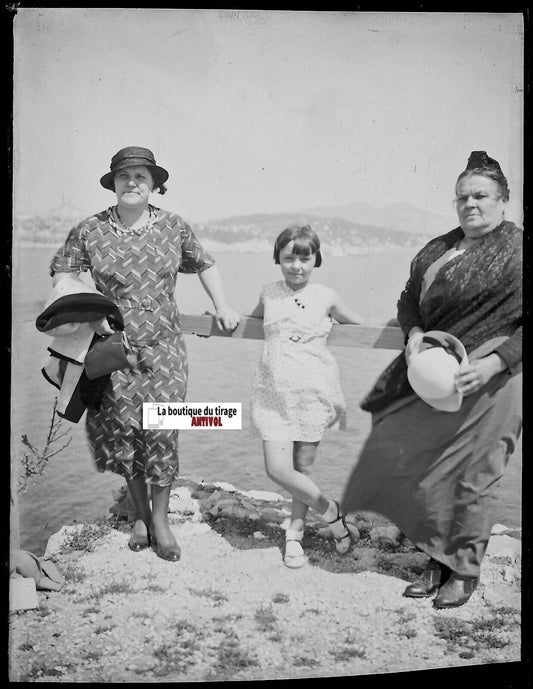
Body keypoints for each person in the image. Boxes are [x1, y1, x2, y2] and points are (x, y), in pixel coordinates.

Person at [342, 151, 522, 608]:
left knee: (476, 476)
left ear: (504, 200)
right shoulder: (437, 250)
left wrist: (496, 362)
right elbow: (408, 300)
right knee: (429, 470)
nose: (470, 205)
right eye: (462, 197)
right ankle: (433, 558)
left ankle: (464, 568)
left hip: (494, 380)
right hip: (436, 378)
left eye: (481, 196)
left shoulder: (519, 253)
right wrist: (416, 331)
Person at [49, 146, 240, 561]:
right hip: (114, 350)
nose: (131, 183)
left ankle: (161, 520)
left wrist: (223, 306)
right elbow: (63, 270)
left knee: (162, 430)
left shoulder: (174, 227)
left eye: (141, 176)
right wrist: (89, 311)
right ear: (113, 183)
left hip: (165, 348)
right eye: (124, 176)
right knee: (123, 432)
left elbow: (205, 264)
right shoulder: (91, 229)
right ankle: (138, 515)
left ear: (155, 184)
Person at [249, 224, 363, 568]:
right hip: (272, 394)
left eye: (304, 257)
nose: (296, 265)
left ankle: (294, 536)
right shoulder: (269, 292)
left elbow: (361, 327)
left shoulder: (326, 296)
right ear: (278, 259)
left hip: (314, 392)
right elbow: (248, 322)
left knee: (302, 468)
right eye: (288, 258)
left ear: (316, 259)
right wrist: (218, 319)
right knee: (277, 469)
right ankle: (332, 513)